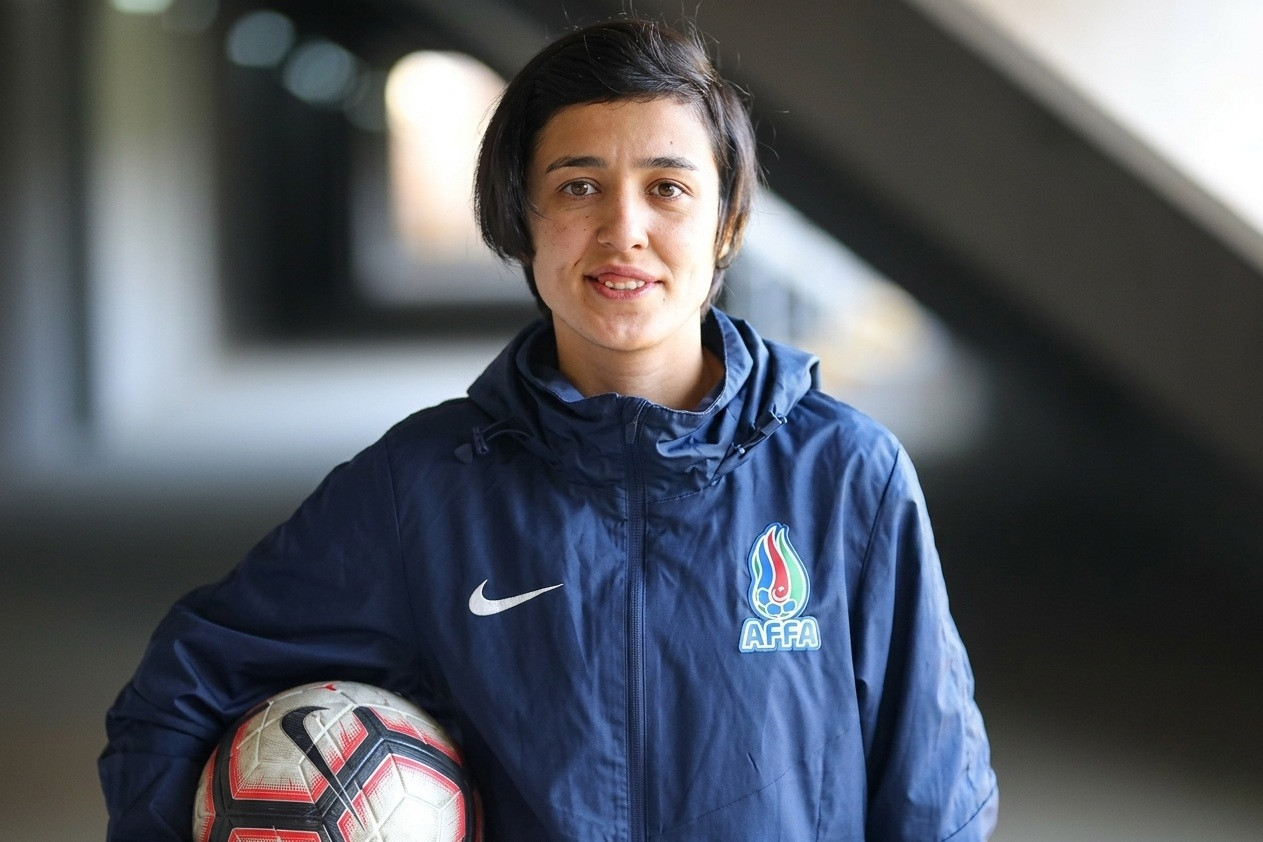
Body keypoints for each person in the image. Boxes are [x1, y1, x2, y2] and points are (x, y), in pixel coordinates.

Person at [101, 18, 998, 841]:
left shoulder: (845, 474)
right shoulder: (425, 488)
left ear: (727, 224)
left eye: (667, 188)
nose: (623, 229)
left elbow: (934, 800)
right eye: (578, 186)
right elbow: (180, 693)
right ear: (521, 220)